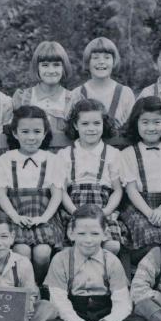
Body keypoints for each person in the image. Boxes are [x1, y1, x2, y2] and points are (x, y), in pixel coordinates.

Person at [39, 204, 153, 321]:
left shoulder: (111, 261)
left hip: (105, 311)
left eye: (94, 233)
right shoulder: (61, 259)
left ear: (104, 234)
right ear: (71, 234)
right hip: (75, 314)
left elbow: (122, 301)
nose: (88, 240)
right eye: (81, 234)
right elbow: (59, 302)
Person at [0, 105, 65, 284]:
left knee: (42, 253)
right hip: (15, 215)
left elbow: (57, 195)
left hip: (44, 215)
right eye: (25, 132)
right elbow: (1, 195)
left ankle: (40, 286)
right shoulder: (4, 161)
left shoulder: (53, 160)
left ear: (45, 132)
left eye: (37, 131)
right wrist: (15, 217)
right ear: (15, 134)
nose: (31, 137)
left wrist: (44, 218)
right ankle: (24, 288)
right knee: (22, 251)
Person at [119, 96, 161, 275]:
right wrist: (150, 212)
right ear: (136, 124)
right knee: (150, 235)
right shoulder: (128, 155)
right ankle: (147, 274)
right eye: (145, 122)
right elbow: (131, 190)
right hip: (138, 206)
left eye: (157, 122)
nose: (151, 128)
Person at [58, 98, 124, 253]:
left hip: (103, 209)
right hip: (74, 210)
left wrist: (106, 212)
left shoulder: (112, 154)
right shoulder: (66, 154)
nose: (91, 129)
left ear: (103, 124)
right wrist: (74, 212)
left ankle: (102, 275)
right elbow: (61, 190)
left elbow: (117, 190)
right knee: (75, 246)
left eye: (96, 123)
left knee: (112, 245)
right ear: (75, 125)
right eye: (85, 124)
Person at [12, 41, 82, 134]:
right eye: (45, 65)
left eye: (56, 65)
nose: (51, 70)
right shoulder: (22, 98)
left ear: (63, 67)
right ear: (37, 68)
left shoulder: (73, 99)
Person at [72, 37, 135, 129]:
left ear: (114, 61)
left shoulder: (125, 94)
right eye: (95, 57)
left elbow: (133, 127)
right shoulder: (76, 94)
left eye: (107, 57)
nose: (101, 62)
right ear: (88, 62)